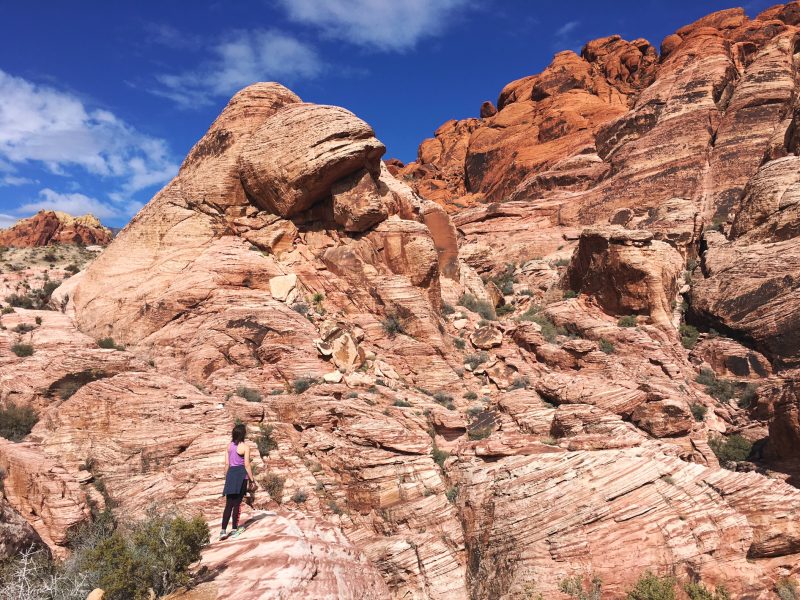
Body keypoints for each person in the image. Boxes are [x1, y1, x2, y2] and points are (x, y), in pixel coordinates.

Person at [219, 423, 254, 540]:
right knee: (237, 504)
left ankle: (223, 531)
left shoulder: (229, 446)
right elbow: (247, 464)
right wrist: (252, 480)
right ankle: (234, 530)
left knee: (228, 504)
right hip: (241, 476)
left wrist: (227, 477)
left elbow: (226, 464)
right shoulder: (245, 447)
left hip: (231, 475)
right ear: (243, 434)